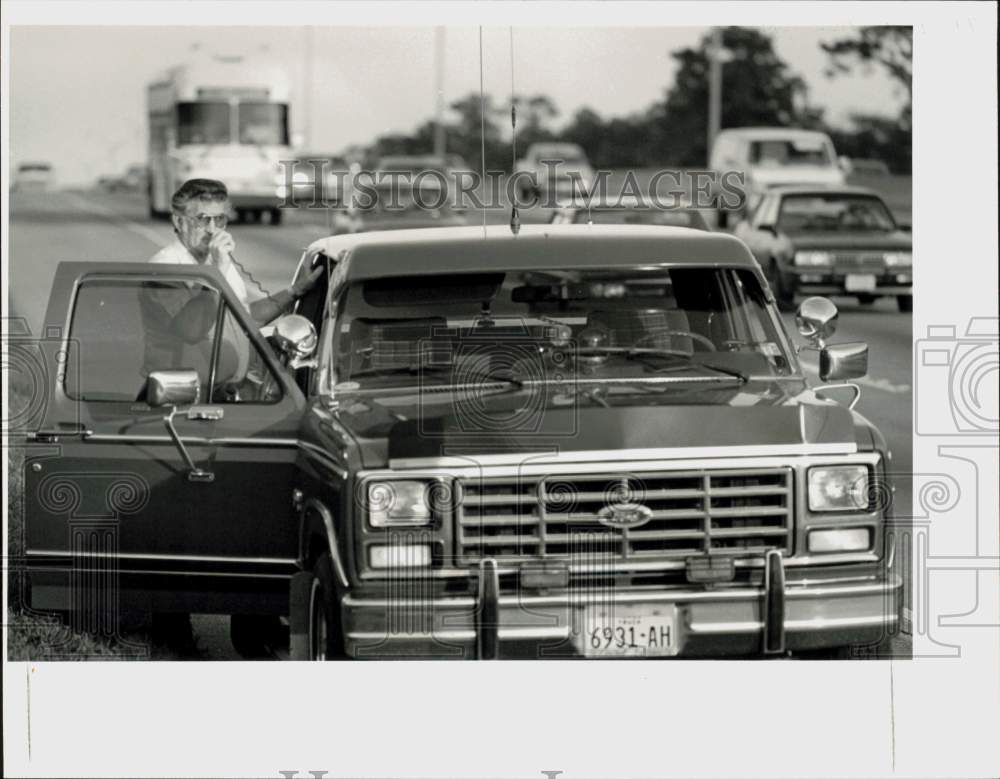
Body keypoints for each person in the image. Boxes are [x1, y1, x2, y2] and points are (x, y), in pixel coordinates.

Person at [141, 178, 321, 395]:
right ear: (179, 223)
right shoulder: (165, 268)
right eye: (202, 220)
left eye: (219, 219)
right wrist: (217, 273)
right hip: (179, 395)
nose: (212, 229)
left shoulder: (216, 262)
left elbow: (241, 317)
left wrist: (295, 291)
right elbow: (190, 330)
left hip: (223, 392)